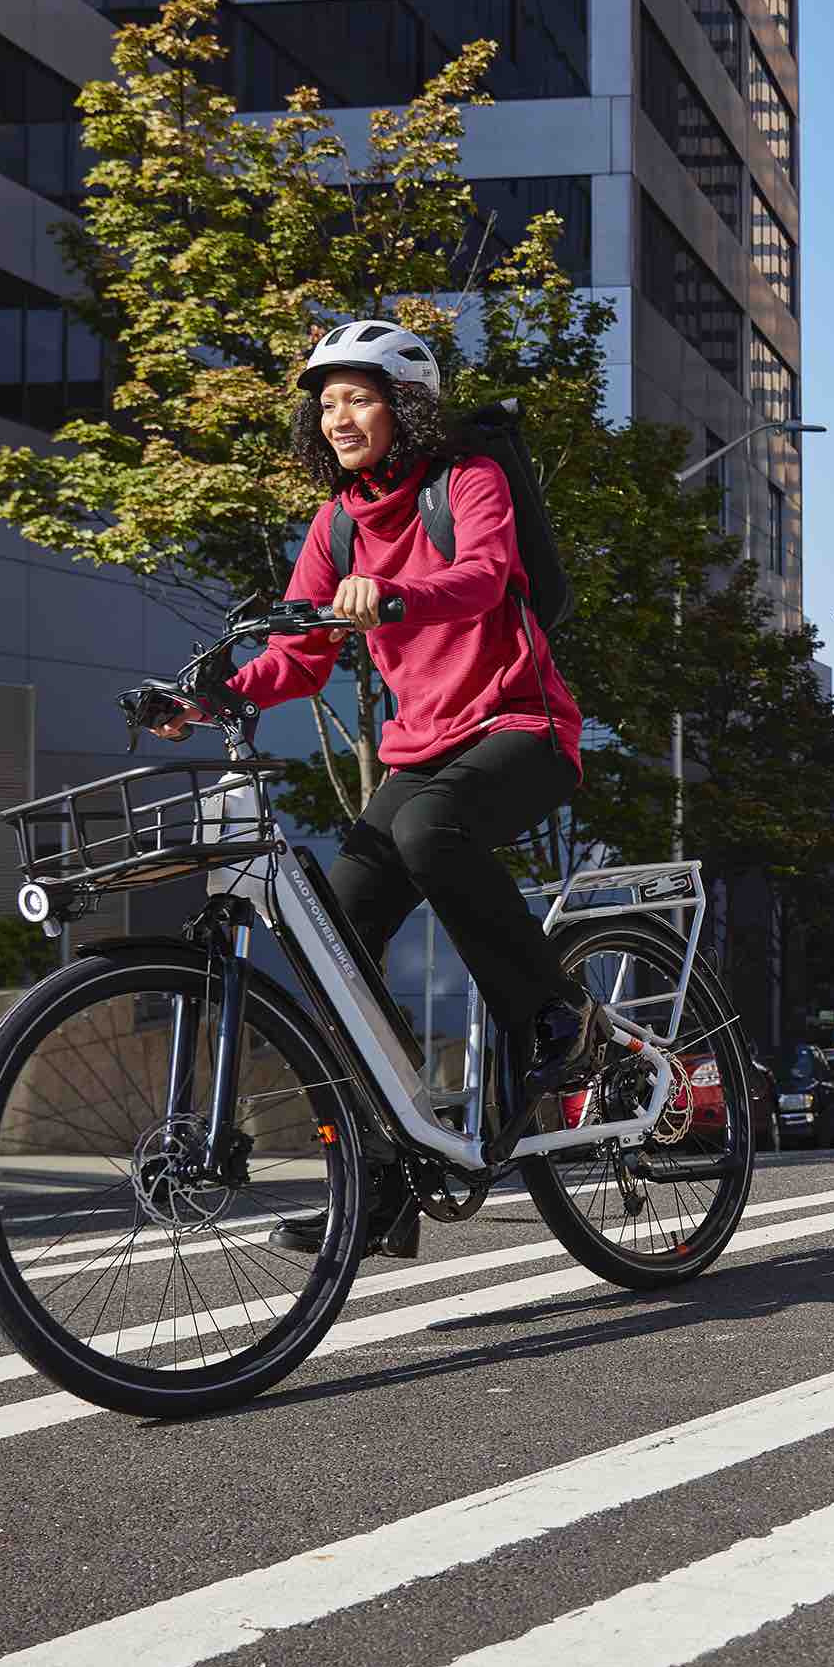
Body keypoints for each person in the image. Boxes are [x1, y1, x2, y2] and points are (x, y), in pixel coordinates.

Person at [163, 319, 595, 1261]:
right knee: (337, 935)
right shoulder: (334, 523)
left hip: (520, 728)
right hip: (420, 750)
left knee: (431, 832)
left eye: (358, 398)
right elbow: (301, 657)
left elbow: (485, 580)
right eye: (326, 404)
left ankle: (554, 1012)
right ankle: (384, 1188)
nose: (339, 418)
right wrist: (210, 699)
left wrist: (396, 594)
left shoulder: (465, 482)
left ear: (405, 407)